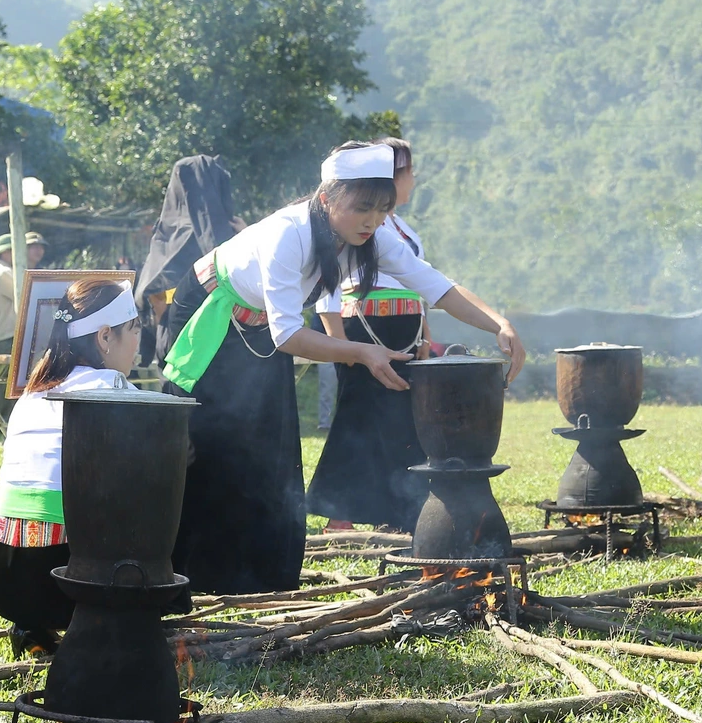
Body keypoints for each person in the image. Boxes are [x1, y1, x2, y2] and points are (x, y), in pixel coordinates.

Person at [162, 142, 525, 597]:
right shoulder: (287, 233)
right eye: (361, 208)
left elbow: (433, 283)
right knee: (212, 442)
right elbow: (288, 337)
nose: (371, 221)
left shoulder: (371, 236)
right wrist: (361, 352)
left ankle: (258, 579)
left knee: (272, 454)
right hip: (212, 317)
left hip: (260, 332)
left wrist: (498, 323)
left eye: (381, 209)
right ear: (328, 197)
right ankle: (186, 574)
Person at [0, 278, 142, 656]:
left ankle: (31, 630)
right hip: (60, 577)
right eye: (134, 329)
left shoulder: (34, 389)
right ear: (104, 337)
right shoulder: (113, 386)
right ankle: (109, 625)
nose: (138, 342)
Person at [308, 137, 437, 532]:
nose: (413, 180)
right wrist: (340, 345)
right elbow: (328, 281)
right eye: (410, 171)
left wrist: (425, 336)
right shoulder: (346, 228)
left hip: (405, 330)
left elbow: (422, 285)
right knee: (358, 417)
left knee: (402, 420)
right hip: (363, 326)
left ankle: (398, 510)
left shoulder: (398, 228)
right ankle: (340, 513)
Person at [135, 156, 246, 364]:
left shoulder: (167, 237)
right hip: (224, 345)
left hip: (179, 350)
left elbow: (153, 296)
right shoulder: (232, 239)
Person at [0, 231, 48, 357]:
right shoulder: (2, 272)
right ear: (5, 252)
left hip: (11, 336)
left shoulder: (3, 271)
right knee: (19, 376)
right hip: (10, 337)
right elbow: (28, 294)